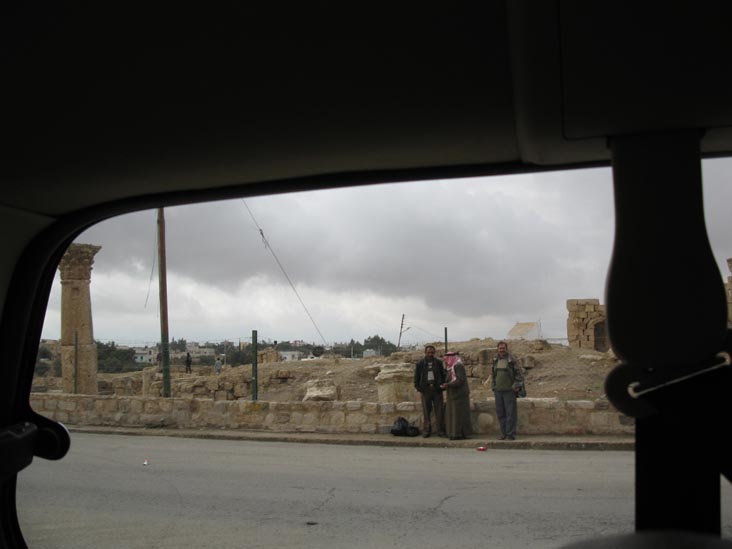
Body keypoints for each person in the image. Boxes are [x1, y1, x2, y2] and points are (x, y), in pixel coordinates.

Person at [491, 341, 524, 440]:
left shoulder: (512, 359)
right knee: (501, 414)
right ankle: (503, 433)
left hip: (509, 391)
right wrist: (494, 386)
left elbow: (519, 374)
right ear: (497, 349)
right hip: (498, 391)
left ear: (506, 348)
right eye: (500, 348)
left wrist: (515, 386)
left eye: (503, 348)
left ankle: (510, 434)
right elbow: (493, 374)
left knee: (510, 413)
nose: (502, 350)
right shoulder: (495, 359)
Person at [413, 345, 446, 438]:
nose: (430, 354)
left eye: (432, 352)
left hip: (437, 390)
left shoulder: (438, 363)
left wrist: (441, 387)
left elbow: (443, 375)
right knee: (426, 411)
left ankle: (440, 430)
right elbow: (416, 377)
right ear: (425, 353)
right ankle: (427, 430)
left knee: (439, 411)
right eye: (428, 352)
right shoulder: (420, 363)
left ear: (434, 353)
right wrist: (419, 388)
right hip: (425, 390)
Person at [440, 351, 472, 440]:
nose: (446, 361)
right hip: (452, 395)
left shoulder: (458, 366)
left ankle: (459, 434)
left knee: (459, 415)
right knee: (452, 415)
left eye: (447, 358)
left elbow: (460, 380)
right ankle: (453, 433)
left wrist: (448, 385)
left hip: (459, 395)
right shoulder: (450, 367)